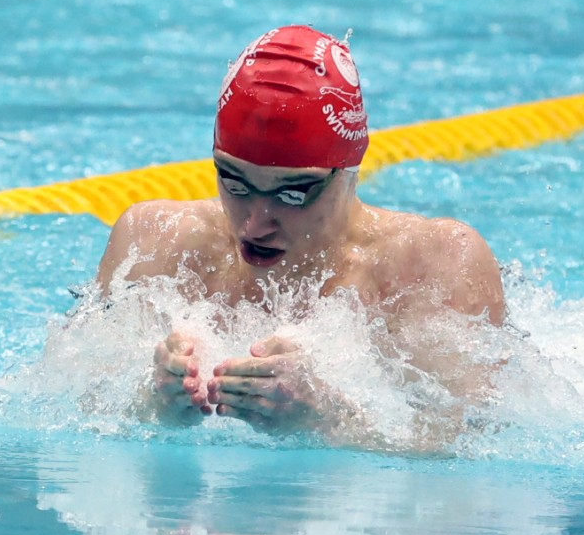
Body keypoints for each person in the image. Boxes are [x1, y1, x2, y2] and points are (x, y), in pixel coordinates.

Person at [95, 25, 505, 437]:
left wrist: (327, 419)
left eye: (292, 194)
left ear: (348, 170)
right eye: (235, 183)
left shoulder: (431, 267)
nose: (255, 224)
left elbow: (474, 443)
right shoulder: (152, 244)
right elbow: (75, 402)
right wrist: (150, 405)